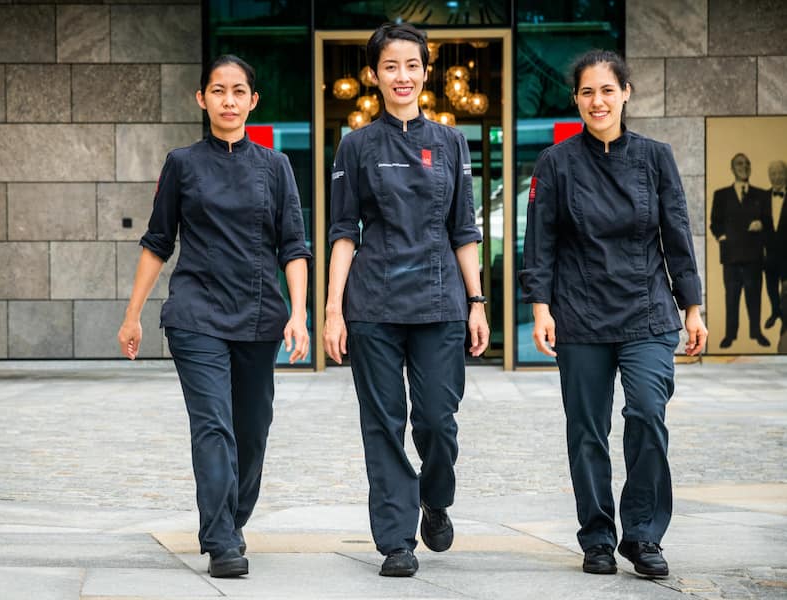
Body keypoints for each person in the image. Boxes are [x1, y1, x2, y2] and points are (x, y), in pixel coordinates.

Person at [117, 55, 312, 578]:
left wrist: (299, 314)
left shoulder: (276, 166)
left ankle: (232, 518)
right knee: (212, 426)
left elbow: (294, 246)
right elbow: (158, 241)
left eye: (238, 91)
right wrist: (133, 315)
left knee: (252, 430)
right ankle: (221, 539)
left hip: (258, 317)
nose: (229, 100)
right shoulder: (182, 164)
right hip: (196, 314)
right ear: (202, 99)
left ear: (253, 101)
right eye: (218, 91)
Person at [519, 49, 707, 579]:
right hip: (579, 314)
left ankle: (643, 535)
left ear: (625, 93)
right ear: (576, 99)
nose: (597, 101)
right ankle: (597, 536)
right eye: (587, 92)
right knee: (587, 430)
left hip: (647, 310)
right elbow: (541, 241)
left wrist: (692, 308)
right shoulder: (556, 163)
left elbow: (676, 233)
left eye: (607, 90)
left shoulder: (656, 157)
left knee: (646, 413)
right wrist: (540, 307)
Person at [323, 23, 489, 578]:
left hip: (440, 302)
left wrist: (477, 301)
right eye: (390, 66)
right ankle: (396, 540)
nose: (402, 76)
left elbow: (464, 229)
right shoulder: (356, 145)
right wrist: (333, 310)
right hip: (372, 302)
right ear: (374, 75)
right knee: (382, 423)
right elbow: (343, 232)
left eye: (412, 65)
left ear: (426, 71)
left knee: (438, 420)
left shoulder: (451, 142)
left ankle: (435, 498)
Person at [710, 154, 773, 348]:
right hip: (731, 256)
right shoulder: (721, 195)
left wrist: (762, 225)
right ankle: (730, 335)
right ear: (732, 168)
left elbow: (770, 225)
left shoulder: (762, 195)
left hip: (754, 257)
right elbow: (715, 223)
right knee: (731, 297)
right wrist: (722, 236)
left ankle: (756, 332)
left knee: (754, 297)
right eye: (739, 164)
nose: (743, 167)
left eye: (747, 164)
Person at [764, 160, 786, 333]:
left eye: (780, 173)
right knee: (771, 286)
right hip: (769, 254)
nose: (777, 177)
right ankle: (775, 312)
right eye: (773, 174)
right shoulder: (763, 197)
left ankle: (785, 319)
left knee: (785, 289)